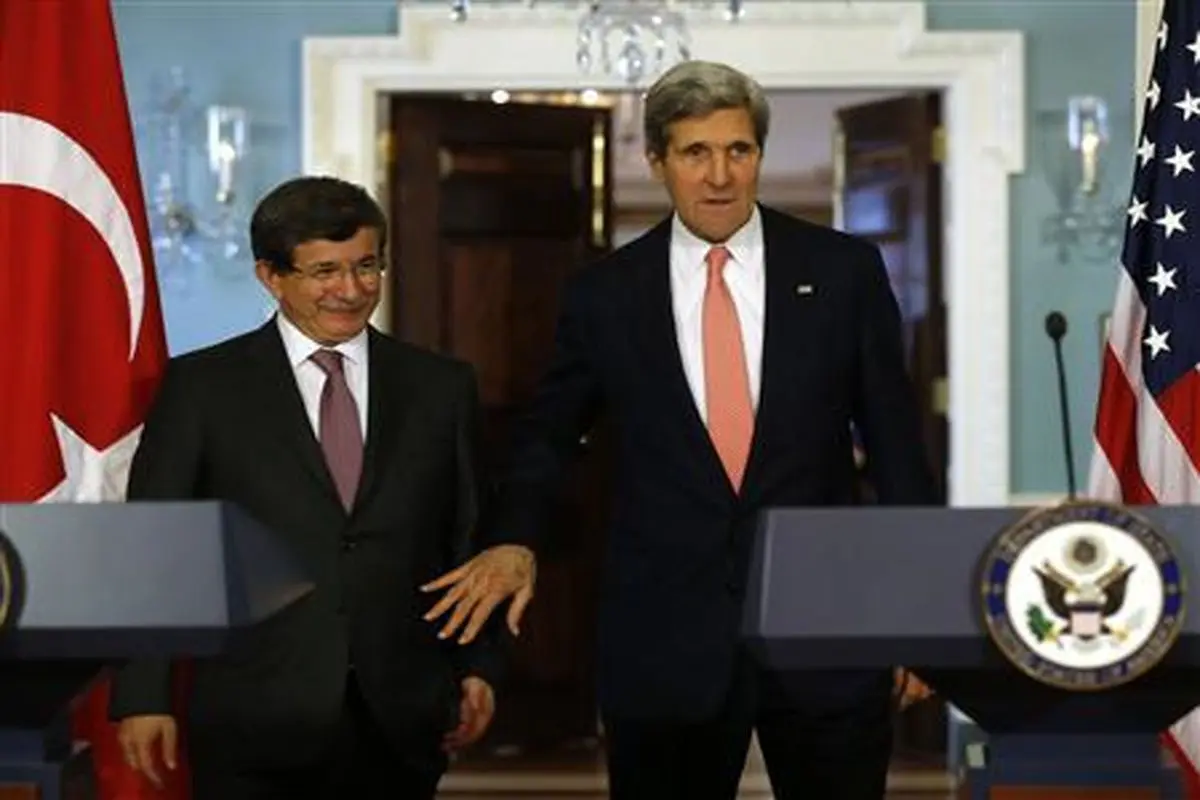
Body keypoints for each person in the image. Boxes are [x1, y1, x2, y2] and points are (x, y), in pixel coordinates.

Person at [421, 61, 938, 799]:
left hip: (828, 633)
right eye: (696, 152)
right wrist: (514, 538)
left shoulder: (844, 271)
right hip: (663, 640)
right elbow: (548, 436)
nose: (720, 176)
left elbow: (896, 447)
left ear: (758, 153)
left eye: (738, 150)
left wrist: (919, 614)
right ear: (657, 159)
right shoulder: (605, 293)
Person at [108, 176, 504, 799]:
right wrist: (143, 693)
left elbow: (469, 540)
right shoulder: (203, 388)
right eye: (325, 271)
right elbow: (156, 548)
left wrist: (479, 667)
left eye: (366, 266)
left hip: (400, 713)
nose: (351, 290)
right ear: (271, 276)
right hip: (252, 715)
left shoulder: (441, 388)